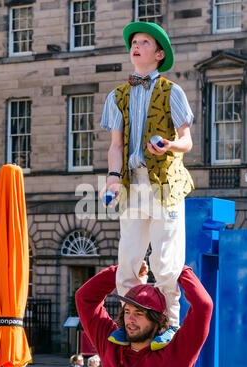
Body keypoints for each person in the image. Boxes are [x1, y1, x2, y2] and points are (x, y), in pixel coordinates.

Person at [100, 21, 194, 349]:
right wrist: (112, 178)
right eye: (133, 42)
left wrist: (169, 145)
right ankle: (130, 321)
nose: (136, 46)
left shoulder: (173, 91)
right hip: (133, 185)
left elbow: (187, 141)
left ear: (158, 54)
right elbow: (116, 146)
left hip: (165, 184)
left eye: (144, 42)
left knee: (165, 260)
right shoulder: (117, 95)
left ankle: (170, 322)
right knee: (128, 258)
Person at [76, 261, 213, 367]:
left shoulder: (177, 353)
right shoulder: (110, 345)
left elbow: (203, 306)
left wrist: (179, 270)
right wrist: (123, 271)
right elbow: (84, 298)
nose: (130, 319)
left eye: (139, 313)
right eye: (127, 312)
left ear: (158, 320)